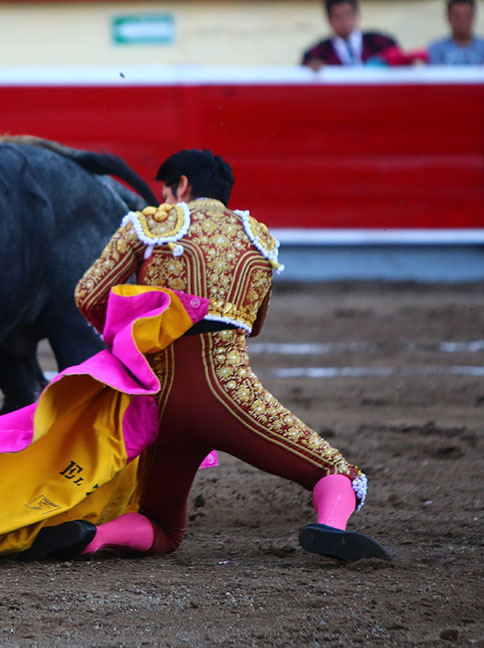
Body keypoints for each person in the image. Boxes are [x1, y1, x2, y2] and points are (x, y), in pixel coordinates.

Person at [33, 149, 391, 563]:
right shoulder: (258, 239)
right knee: (337, 472)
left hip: (159, 402)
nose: (165, 203)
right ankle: (331, 527)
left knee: (163, 527)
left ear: (182, 185)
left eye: (165, 194)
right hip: (230, 394)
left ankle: (93, 537)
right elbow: (254, 324)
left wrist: (128, 341)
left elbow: (88, 294)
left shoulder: (149, 226)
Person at [301, 0, 399, 70]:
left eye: (347, 14)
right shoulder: (317, 53)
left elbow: (399, 64)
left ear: (356, 15)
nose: (344, 21)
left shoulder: (381, 43)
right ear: (329, 20)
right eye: (337, 17)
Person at [429, 0, 484, 65]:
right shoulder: (435, 50)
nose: (461, 20)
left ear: (473, 16)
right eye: (456, 16)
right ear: (448, 17)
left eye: (466, 15)